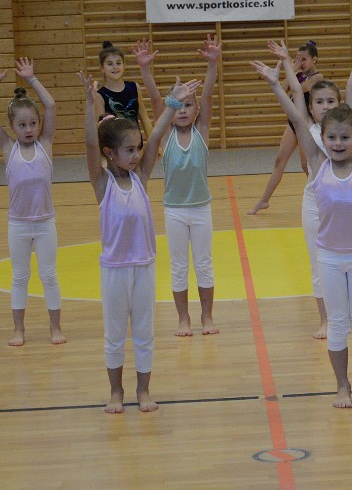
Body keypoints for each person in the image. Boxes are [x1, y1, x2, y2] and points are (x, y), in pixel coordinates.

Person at [251, 48, 352, 408]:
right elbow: (298, 118)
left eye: (345, 138)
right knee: (338, 323)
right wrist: (276, 85)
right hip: (329, 257)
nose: (338, 144)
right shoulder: (317, 163)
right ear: (323, 140)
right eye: (332, 138)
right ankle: (342, 386)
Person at [79, 71, 201, 413]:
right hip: (115, 270)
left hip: (144, 267)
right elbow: (89, 145)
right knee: (115, 334)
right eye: (129, 150)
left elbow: (158, 132)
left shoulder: (141, 177)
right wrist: (89, 105)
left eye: (138, 149)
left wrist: (173, 101)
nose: (136, 155)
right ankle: (116, 391)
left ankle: (143, 390)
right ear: (109, 153)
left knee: (144, 333)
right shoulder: (102, 184)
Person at [267, 34, 352, 339]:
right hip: (314, 203)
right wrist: (284, 65)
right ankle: (325, 319)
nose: (325, 106)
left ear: (339, 104)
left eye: (331, 101)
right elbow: (295, 98)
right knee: (319, 264)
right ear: (311, 106)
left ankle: (350, 315)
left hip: (344, 201)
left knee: (347, 261)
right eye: (319, 102)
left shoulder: (342, 130)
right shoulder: (309, 130)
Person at [133, 36, 222, 337]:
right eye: (178, 105)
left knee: (204, 263)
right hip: (174, 211)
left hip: (201, 209)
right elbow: (156, 100)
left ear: (196, 111)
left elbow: (208, 96)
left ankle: (207, 316)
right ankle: (183, 318)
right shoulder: (166, 137)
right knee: (179, 266)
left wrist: (212, 65)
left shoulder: (202, 132)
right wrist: (145, 70)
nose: (183, 110)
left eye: (188, 105)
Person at [0, 58, 66, 347]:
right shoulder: (8, 148)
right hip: (18, 224)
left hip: (44, 223)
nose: (28, 129)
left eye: (33, 123)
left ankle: (55, 327)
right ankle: (19, 329)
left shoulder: (45, 144)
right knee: (20, 276)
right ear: (12, 127)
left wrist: (32, 79)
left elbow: (50, 105)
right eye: (22, 125)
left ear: (39, 125)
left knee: (49, 275)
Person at [247, 40, 323, 215]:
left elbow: (299, 89)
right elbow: (282, 89)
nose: (300, 62)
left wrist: (293, 70)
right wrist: (292, 70)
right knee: (279, 161)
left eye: (303, 59)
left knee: (306, 165)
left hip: (307, 126)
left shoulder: (318, 77)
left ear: (314, 60)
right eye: (297, 58)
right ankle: (264, 200)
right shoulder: (295, 73)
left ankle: (323, 194)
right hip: (293, 123)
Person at [94, 41, 153, 142]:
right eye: (110, 64)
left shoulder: (134, 87)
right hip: (115, 147)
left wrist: (155, 143)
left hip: (136, 144)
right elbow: (100, 129)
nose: (115, 67)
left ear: (124, 65)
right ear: (102, 68)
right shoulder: (100, 95)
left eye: (118, 63)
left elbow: (144, 117)